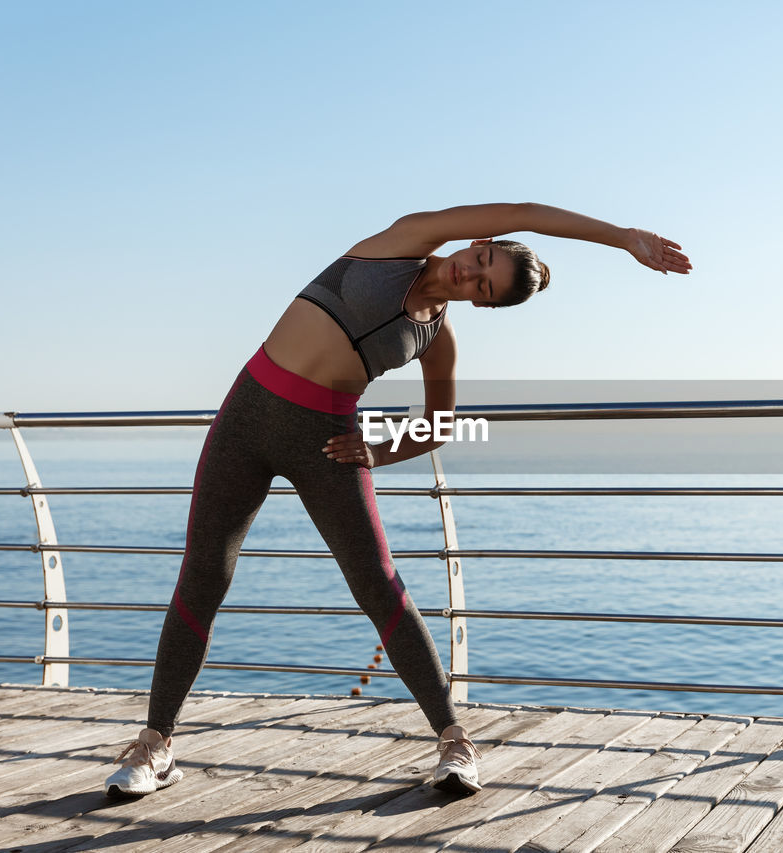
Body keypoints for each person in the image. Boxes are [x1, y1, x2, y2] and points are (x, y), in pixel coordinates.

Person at [103, 202, 692, 798]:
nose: (471, 274)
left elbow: (440, 423)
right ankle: (155, 745)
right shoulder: (404, 241)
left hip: (326, 441)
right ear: (478, 240)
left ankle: (454, 742)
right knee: (205, 574)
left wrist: (377, 452)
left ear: (483, 303)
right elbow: (525, 211)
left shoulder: (436, 337)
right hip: (246, 417)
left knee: (377, 583)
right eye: (481, 259)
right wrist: (623, 239)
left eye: (484, 287)